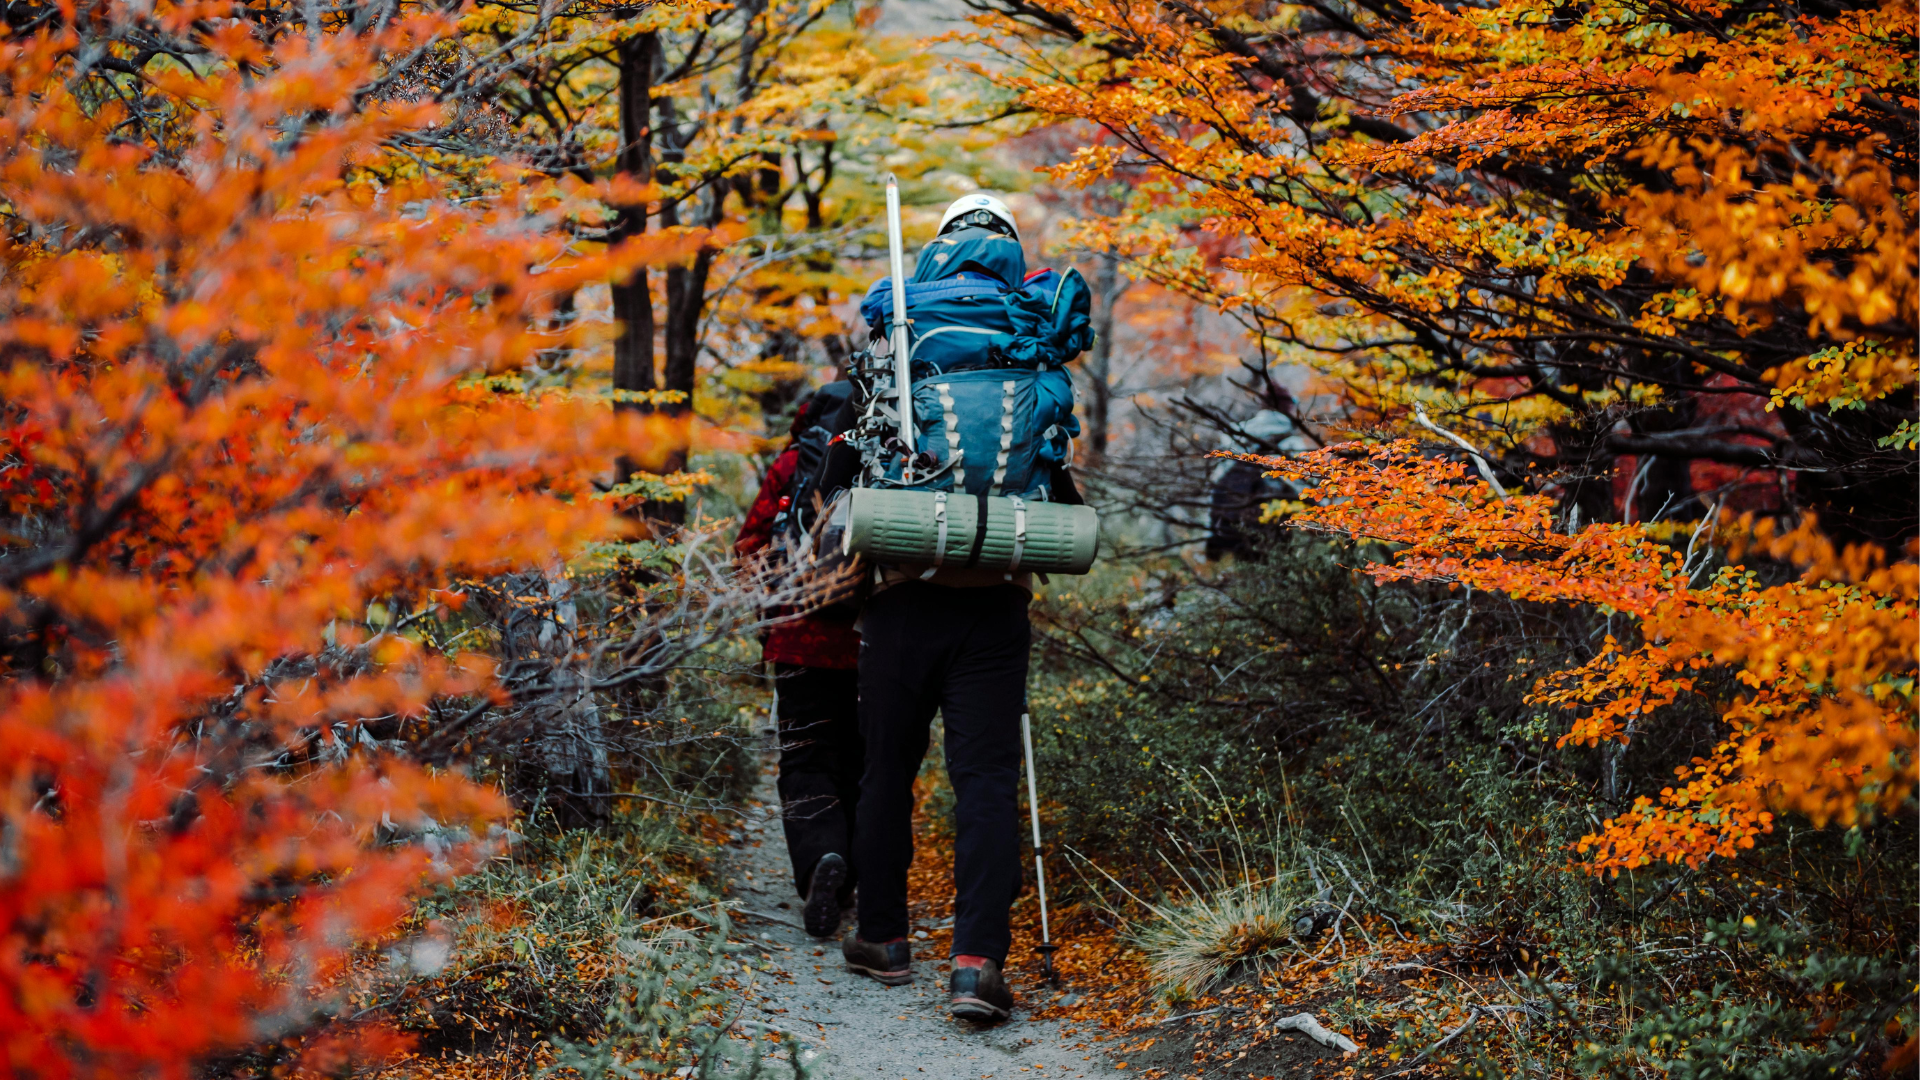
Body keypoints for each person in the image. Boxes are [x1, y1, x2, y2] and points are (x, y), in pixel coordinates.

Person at [839, 194, 1082, 1022]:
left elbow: (856, 442)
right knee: (985, 782)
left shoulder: (904, 320)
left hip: (903, 592)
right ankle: (977, 964)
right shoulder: (1035, 322)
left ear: (939, 244)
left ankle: (883, 937)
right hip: (998, 599)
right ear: (1012, 248)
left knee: (887, 776)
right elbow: (1056, 463)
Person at [735, 388, 863, 939]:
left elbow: (750, 546)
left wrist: (772, 609)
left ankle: (820, 863)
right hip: (870, 640)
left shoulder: (791, 464)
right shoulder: (889, 461)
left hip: (797, 641)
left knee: (807, 761)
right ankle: (859, 876)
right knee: (865, 762)